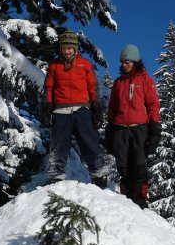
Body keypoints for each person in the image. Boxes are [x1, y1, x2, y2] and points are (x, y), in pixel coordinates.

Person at [43, 29, 108, 186]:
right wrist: (46, 105)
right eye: (64, 48)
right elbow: (48, 87)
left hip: (82, 109)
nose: (66, 51)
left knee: (89, 142)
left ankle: (99, 174)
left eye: (70, 48)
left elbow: (93, 87)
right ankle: (56, 175)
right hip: (60, 111)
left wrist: (97, 107)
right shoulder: (54, 66)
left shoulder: (85, 64)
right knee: (59, 144)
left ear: (75, 49)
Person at [105, 44, 161, 208]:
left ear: (135, 61)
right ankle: (127, 198)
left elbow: (153, 105)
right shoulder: (118, 83)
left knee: (139, 164)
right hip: (120, 127)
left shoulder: (146, 80)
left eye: (127, 61)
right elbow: (112, 106)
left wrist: (154, 127)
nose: (124, 65)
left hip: (139, 128)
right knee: (123, 166)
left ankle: (141, 199)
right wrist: (109, 127)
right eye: (122, 62)